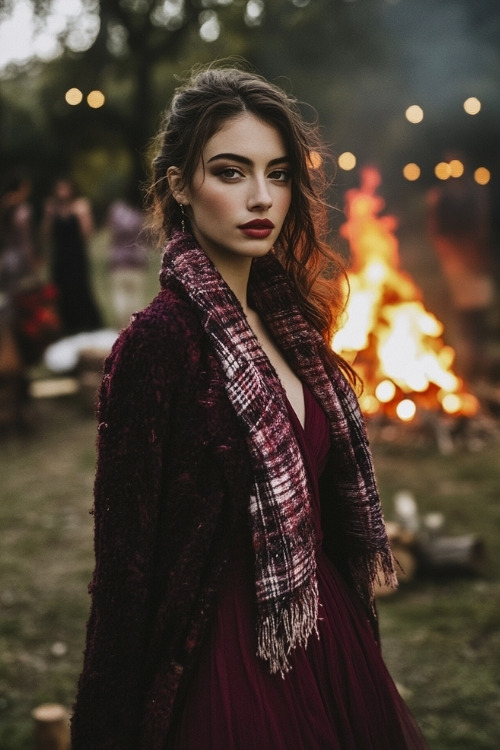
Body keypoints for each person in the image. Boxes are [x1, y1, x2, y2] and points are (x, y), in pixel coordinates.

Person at [71, 65, 429, 750]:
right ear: (180, 186)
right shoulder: (158, 346)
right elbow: (125, 573)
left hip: (326, 634)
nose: (261, 197)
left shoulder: (290, 322)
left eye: (278, 173)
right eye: (231, 173)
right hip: (229, 662)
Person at [426, 158, 496, 382]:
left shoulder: (474, 195)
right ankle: (470, 366)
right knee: (465, 315)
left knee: (477, 314)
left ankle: (479, 365)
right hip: (457, 260)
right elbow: (438, 229)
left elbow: (481, 227)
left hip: (474, 259)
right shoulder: (444, 197)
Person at [0, 170, 37, 431]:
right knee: (13, 363)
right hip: (9, 304)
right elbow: (23, 257)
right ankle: (17, 416)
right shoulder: (18, 215)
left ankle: (17, 413)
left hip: (9, 301)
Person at [42, 177, 102, 335]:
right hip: (61, 255)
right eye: (59, 189)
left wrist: (82, 215)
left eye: (65, 188)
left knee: (79, 286)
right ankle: (67, 324)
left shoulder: (80, 205)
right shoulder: (52, 208)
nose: (62, 192)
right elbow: (46, 235)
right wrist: (48, 215)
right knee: (61, 288)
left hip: (76, 254)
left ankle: (88, 322)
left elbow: (88, 233)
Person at [106, 196, 149, 328]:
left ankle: (123, 326)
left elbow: (112, 234)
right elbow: (146, 236)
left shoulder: (116, 210)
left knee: (120, 296)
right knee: (136, 297)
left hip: (119, 259)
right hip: (136, 260)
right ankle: (134, 327)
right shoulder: (139, 213)